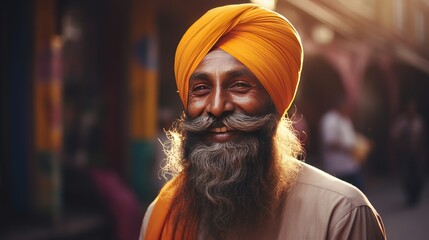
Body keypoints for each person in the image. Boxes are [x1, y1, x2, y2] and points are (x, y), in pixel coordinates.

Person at [139, 4, 386, 240]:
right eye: (201, 89)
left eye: (239, 86)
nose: (215, 107)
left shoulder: (341, 215)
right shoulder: (161, 215)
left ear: (275, 101)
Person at [320, 98, 370, 191]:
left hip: (351, 163)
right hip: (338, 166)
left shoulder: (345, 118)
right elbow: (330, 142)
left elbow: (349, 136)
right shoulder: (330, 119)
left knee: (357, 191)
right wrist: (348, 148)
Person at [391, 99, 427, 207]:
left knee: (419, 175)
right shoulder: (401, 122)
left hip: (417, 152)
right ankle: (410, 196)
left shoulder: (419, 121)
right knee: (406, 176)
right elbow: (394, 137)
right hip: (405, 153)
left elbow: (423, 136)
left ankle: (416, 195)